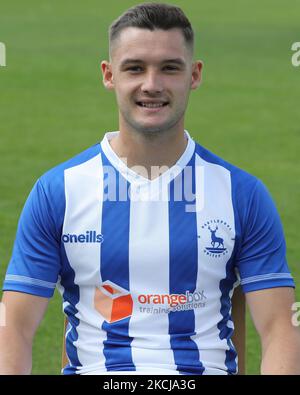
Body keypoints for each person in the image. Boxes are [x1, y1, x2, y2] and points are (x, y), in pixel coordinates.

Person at [0, 2, 299, 376]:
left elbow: (279, 330)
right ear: (109, 75)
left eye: (169, 68)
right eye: (135, 68)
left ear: (194, 74)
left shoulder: (242, 195)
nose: (152, 84)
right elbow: (14, 328)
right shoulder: (58, 192)